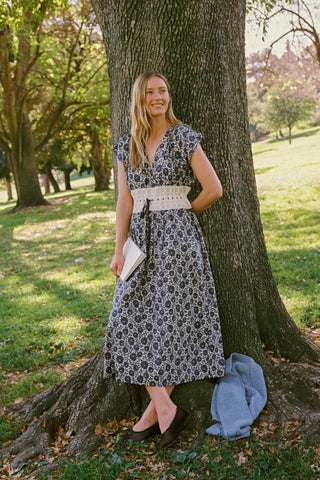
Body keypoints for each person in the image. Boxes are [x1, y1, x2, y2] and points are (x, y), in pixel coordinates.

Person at [104, 70, 225, 449]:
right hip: (139, 241)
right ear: (140, 98)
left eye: (163, 91)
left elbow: (214, 189)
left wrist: (181, 214)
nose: (159, 97)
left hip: (178, 242)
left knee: (171, 324)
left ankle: (151, 418)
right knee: (124, 323)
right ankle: (164, 409)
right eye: (151, 92)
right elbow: (124, 201)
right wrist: (119, 248)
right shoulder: (127, 145)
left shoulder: (184, 137)